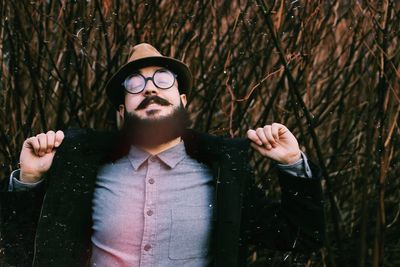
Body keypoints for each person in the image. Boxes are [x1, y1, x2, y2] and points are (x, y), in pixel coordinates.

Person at [0, 43, 324, 267]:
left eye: (162, 80)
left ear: (183, 100)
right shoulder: (84, 171)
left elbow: (299, 237)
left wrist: (292, 165)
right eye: (135, 84)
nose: (150, 88)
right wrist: (29, 181)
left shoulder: (223, 175)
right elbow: (21, 248)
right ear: (120, 111)